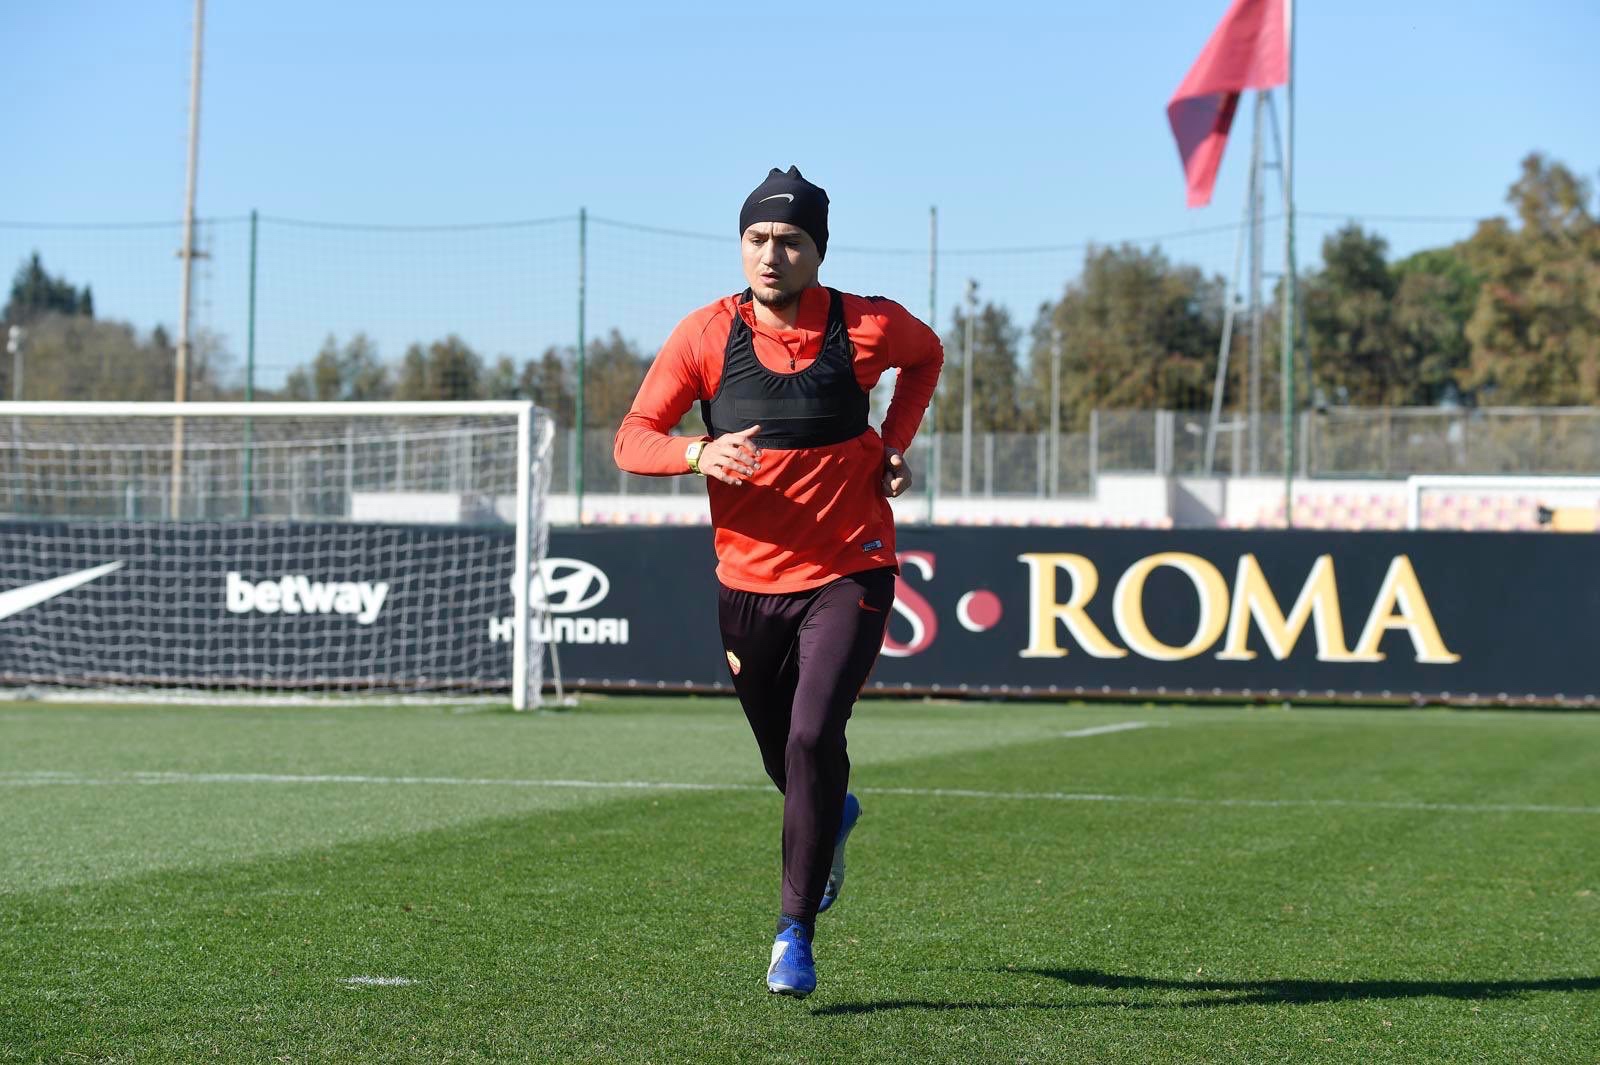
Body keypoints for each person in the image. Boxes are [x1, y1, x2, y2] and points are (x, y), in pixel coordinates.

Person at [613, 166, 944, 998]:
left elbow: (927, 355)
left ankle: (793, 934)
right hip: (747, 584)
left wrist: (895, 441)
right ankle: (834, 813)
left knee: (810, 736)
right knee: (788, 761)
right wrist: (697, 452)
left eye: (790, 240)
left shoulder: (867, 324)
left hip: (850, 566)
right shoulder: (704, 335)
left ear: (817, 250)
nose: (771, 253)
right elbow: (632, 437)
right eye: (757, 238)